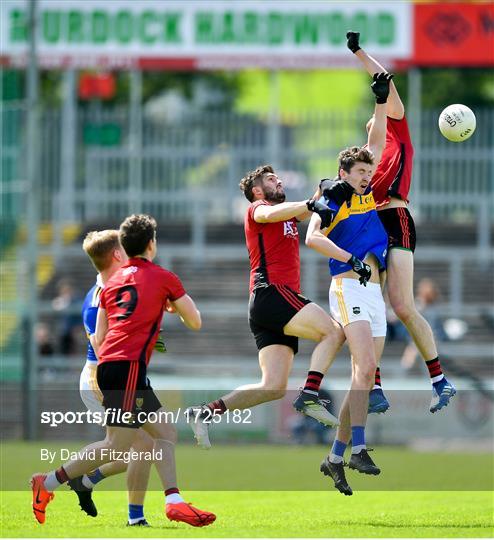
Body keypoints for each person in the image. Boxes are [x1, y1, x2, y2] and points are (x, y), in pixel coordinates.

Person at [31, 215, 216, 528]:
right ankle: (47, 484)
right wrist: (168, 302)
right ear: (151, 244)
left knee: (164, 433)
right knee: (117, 446)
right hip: (127, 368)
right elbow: (195, 321)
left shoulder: (110, 284)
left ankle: (174, 501)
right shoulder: (163, 277)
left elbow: (101, 338)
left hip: (116, 368)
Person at [186, 168, 346, 449]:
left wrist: (325, 188)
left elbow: (303, 211)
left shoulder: (287, 212)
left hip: (266, 305)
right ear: (257, 191)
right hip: (272, 294)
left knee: (272, 387)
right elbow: (270, 215)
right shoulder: (258, 208)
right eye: (271, 180)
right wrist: (312, 202)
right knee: (333, 332)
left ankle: (205, 412)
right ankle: (310, 394)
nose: (279, 181)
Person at [346, 31, 455, 414]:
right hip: (369, 226)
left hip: (396, 218)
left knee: (403, 306)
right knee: (371, 306)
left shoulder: (399, 131)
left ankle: (440, 380)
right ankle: (374, 386)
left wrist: (359, 52)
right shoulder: (366, 160)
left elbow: (385, 82)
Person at [305, 74, 392, 495]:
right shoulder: (334, 192)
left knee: (367, 372)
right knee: (363, 368)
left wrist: (379, 101)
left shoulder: (366, 188)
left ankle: (335, 457)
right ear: (344, 172)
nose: (366, 175)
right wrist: (351, 259)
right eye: (360, 171)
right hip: (346, 286)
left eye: (367, 171)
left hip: (372, 292)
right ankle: (358, 447)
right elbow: (313, 237)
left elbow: (375, 142)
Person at [66, 229, 157, 526]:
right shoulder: (99, 298)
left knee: (140, 446)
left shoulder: (119, 287)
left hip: (121, 376)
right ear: (118, 255)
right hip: (101, 379)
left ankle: (86, 480)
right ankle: (135, 518)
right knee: (141, 445)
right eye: (125, 247)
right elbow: (104, 349)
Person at [401, 278, 448, 371]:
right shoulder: (417, 304)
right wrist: (420, 305)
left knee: (430, 351)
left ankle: (432, 373)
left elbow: (437, 326)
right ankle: (405, 371)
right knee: (412, 351)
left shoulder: (435, 307)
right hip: (417, 338)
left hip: (432, 337)